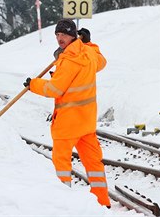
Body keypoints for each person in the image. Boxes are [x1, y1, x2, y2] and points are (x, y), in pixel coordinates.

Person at [24, 19, 111, 207]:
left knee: (61, 166)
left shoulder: (68, 60)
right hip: (86, 122)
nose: (59, 38)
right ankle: (102, 202)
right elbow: (101, 61)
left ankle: (62, 205)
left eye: (63, 34)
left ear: (72, 35)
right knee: (94, 163)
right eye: (57, 34)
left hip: (67, 124)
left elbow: (54, 90)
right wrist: (89, 43)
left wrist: (33, 84)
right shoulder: (88, 53)